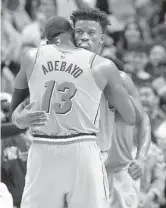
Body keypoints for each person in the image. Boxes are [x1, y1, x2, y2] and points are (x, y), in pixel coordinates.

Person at [11, 13, 136, 208]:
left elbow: (15, 115)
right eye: (80, 32)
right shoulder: (104, 66)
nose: (84, 37)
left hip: (43, 146)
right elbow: (131, 116)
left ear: (47, 39)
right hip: (83, 147)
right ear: (72, 34)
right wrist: (113, 93)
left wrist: (21, 119)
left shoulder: (32, 57)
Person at [70, 8, 151, 208]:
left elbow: (143, 121)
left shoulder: (121, 79)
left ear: (102, 39)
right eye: (79, 32)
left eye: (91, 33)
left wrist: (141, 158)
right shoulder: (64, 80)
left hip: (120, 174)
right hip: (83, 174)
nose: (84, 37)